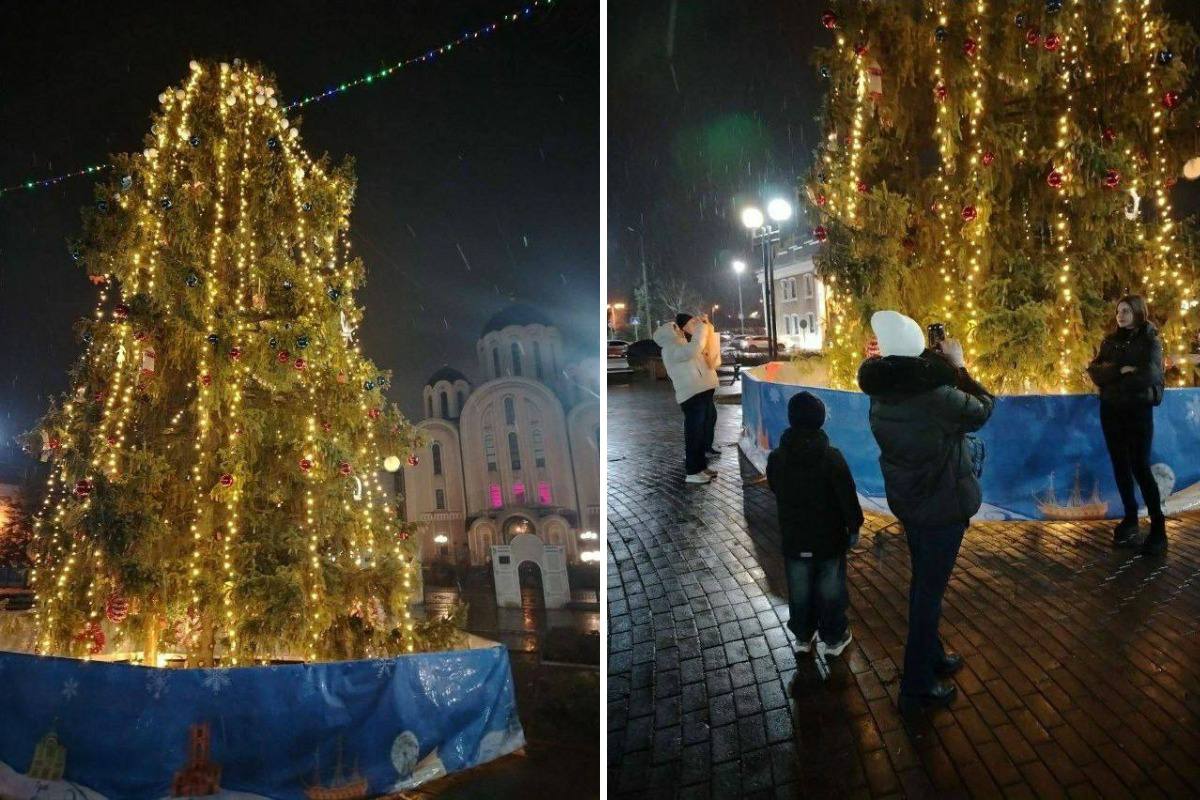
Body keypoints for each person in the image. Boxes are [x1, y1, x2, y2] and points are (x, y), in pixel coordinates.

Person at [857, 310, 994, 709]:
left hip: (911, 501)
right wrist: (959, 366)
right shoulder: (935, 396)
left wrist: (937, 367)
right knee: (928, 596)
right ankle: (916, 685)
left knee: (923, 584)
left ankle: (932, 656)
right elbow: (983, 408)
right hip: (942, 503)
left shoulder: (882, 390)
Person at [766, 391, 863, 658]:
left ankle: (802, 635)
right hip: (829, 540)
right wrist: (854, 526)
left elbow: (775, 486)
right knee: (830, 590)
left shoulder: (777, 458)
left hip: (794, 539)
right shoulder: (832, 458)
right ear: (820, 420)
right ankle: (833, 637)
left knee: (799, 590)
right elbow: (847, 497)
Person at [1086, 295, 1167, 555]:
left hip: (1137, 411)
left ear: (1138, 313)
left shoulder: (1150, 341)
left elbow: (1151, 374)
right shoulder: (1110, 342)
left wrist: (1115, 380)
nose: (1120, 316)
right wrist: (1121, 370)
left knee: (1140, 467)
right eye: (1118, 311)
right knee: (1120, 465)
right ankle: (1130, 518)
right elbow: (1095, 371)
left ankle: (1158, 527)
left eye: (1126, 311)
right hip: (1111, 411)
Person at [653, 313, 720, 484]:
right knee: (694, 435)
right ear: (668, 334)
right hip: (692, 397)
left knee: (701, 434)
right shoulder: (670, 349)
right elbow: (695, 348)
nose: (680, 330)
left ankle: (700, 467)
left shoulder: (681, 345)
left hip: (701, 393)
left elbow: (702, 353)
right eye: (675, 329)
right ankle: (692, 472)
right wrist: (701, 328)